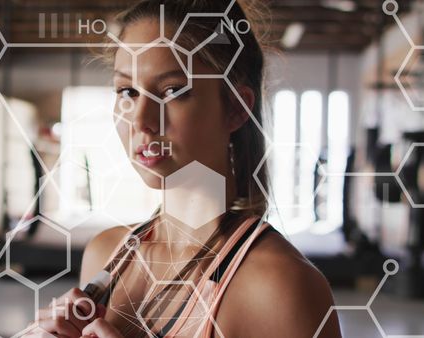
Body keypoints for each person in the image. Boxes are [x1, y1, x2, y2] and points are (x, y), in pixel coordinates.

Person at [32, 0, 342, 337]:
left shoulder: (280, 287)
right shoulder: (104, 253)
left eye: (172, 91)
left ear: (236, 109)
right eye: (128, 91)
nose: (141, 120)